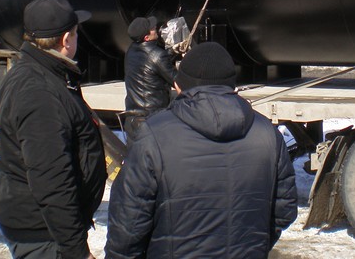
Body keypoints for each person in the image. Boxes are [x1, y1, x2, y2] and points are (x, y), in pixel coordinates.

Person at [105, 41, 298, 259]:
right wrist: (254, 244)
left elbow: (127, 223)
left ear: (178, 87)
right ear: (233, 88)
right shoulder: (268, 134)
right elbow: (284, 209)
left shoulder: (155, 135)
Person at [0, 0, 107, 259]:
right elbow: (52, 182)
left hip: (46, 228)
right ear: (66, 39)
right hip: (45, 235)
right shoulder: (39, 92)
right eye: (76, 33)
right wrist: (77, 252)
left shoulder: (39, 73)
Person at [122, 15, 177, 145]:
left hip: (132, 120)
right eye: (152, 28)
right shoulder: (157, 55)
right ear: (146, 38)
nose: (155, 28)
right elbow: (178, 82)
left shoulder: (130, 51)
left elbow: (152, 62)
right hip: (153, 122)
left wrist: (170, 53)